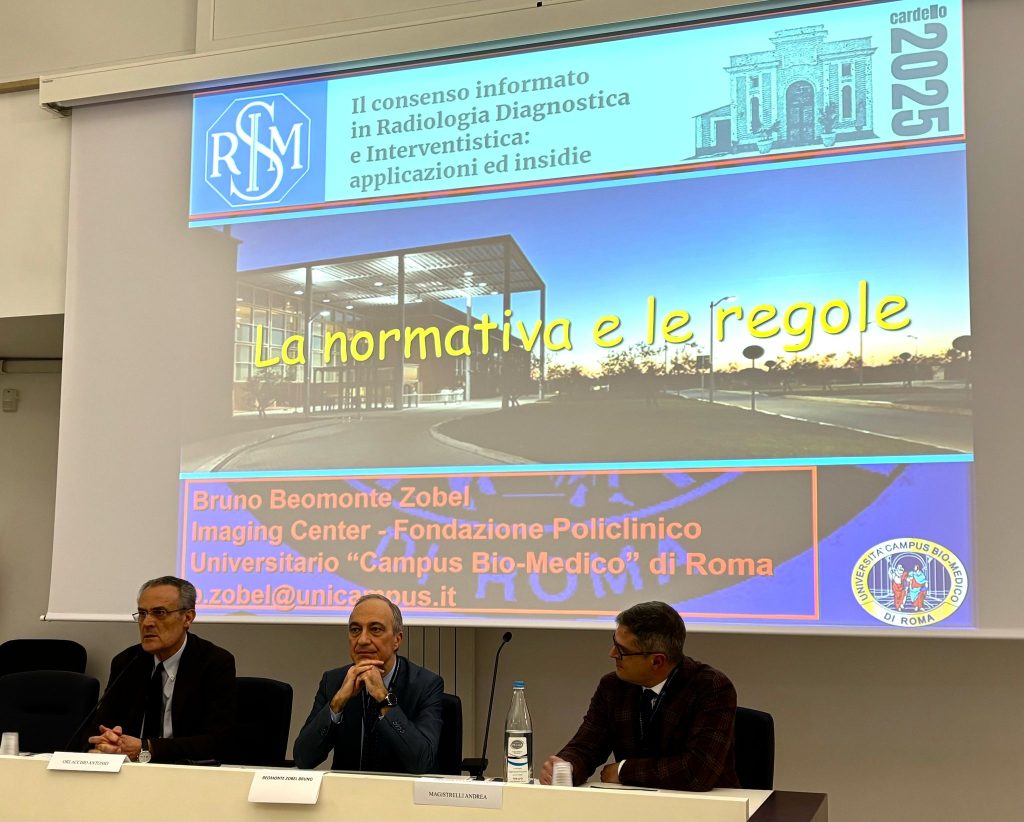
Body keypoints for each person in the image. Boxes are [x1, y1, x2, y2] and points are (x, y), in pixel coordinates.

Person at [539, 601, 739, 791]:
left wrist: (623, 771)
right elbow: (586, 746)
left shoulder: (711, 687)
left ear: (657, 661)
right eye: (614, 643)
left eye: (622, 651)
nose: (612, 654)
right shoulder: (613, 687)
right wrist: (566, 767)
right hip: (633, 802)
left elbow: (697, 772)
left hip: (711, 805)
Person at [88, 576, 236, 763]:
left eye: (159, 613)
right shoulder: (127, 661)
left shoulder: (213, 662)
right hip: (131, 771)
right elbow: (100, 726)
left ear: (188, 618)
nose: (147, 622)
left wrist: (147, 747)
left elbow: (218, 742)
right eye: (142, 613)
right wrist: (108, 741)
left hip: (186, 771)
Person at [293, 594, 443, 773]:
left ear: (397, 640)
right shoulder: (333, 681)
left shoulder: (425, 684)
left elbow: (422, 762)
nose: (362, 640)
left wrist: (383, 697)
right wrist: (338, 702)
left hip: (400, 789)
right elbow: (303, 759)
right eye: (355, 630)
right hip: (347, 789)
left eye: (376, 629)